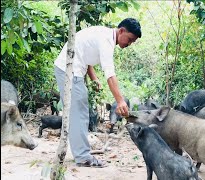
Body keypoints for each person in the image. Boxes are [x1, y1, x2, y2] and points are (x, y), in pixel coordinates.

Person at [54, 18, 141, 167]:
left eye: (133, 42)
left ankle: (81, 153)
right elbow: (110, 75)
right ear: (121, 31)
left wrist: (94, 78)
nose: (129, 44)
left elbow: (85, 55)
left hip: (70, 68)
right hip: (69, 69)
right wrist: (120, 101)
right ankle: (82, 157)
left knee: (79, 110)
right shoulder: (106, 41)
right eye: (130, 39)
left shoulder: (104, 35)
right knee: (79, 112)